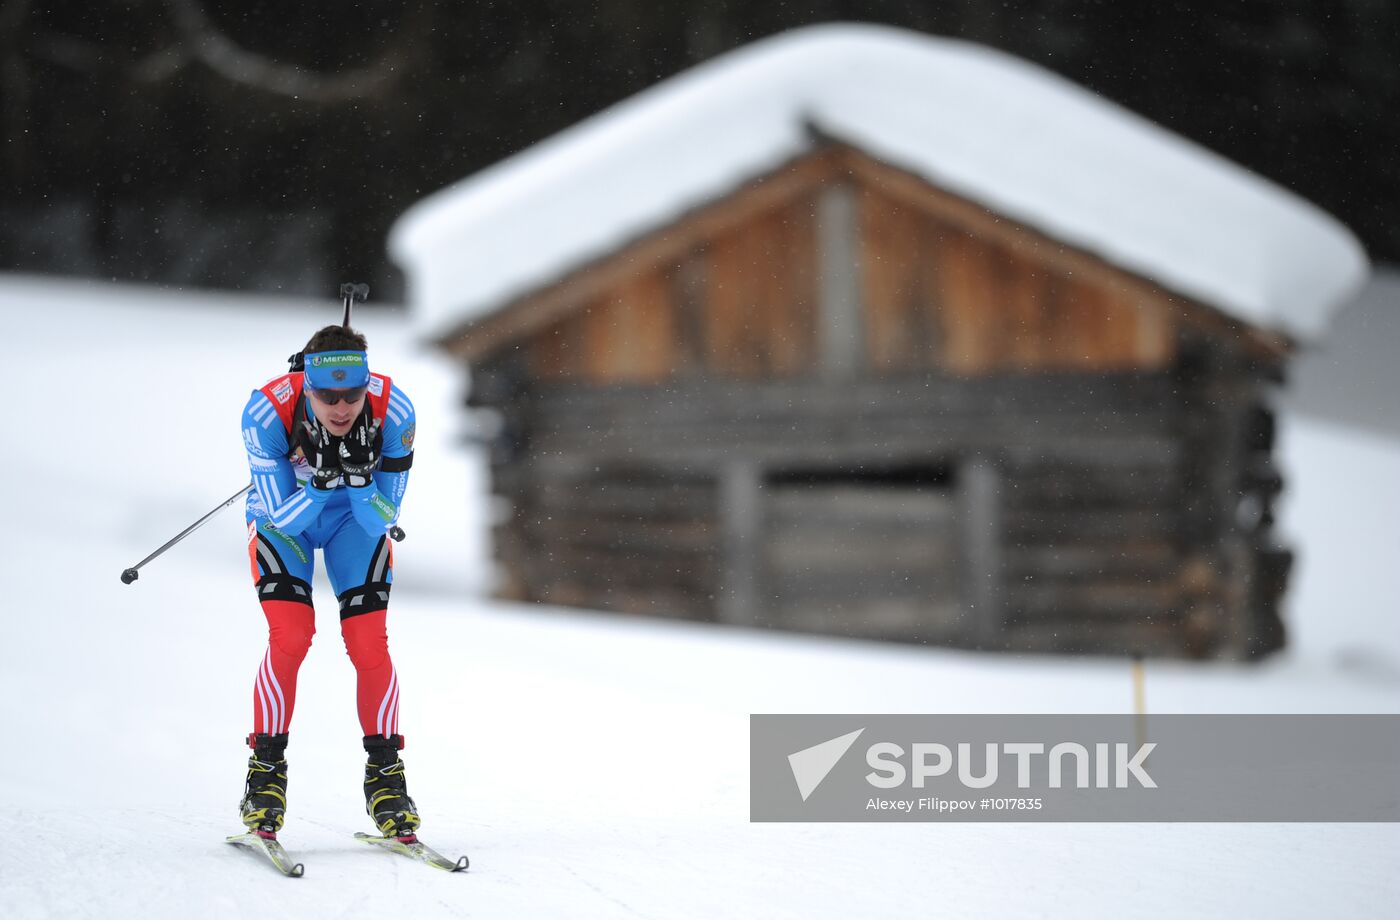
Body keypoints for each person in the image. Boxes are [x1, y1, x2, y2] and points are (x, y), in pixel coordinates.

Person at [237, 323, 420, 839]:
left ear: (368, 384)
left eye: (353, 394)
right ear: (306, 386)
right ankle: (265, 776)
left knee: (368, 643)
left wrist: (360, 483)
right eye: (326, 396)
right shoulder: (266, 412)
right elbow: (283, 515)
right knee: (291, 636)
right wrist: (320, 481)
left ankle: (386, 779)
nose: (341, 407)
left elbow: (383, 517)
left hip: (351, 524)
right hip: (285, 519)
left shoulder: (395, 411)